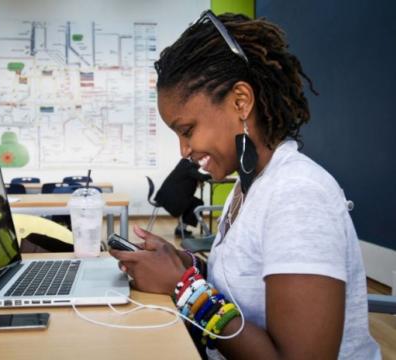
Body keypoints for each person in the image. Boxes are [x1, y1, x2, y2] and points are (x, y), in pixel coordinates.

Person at [110, 10, 380, 359]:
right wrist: (184, 264)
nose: (184, 150)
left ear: (240, 102)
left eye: (187, 130)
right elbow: (247, 281)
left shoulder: (297, 195)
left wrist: (183, 287)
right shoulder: (250, 186)